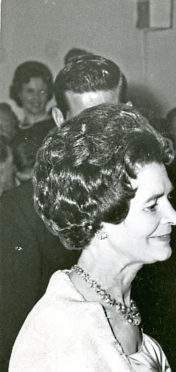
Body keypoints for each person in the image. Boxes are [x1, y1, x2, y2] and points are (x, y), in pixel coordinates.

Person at [9, 104, 176, 371]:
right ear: (98, 215)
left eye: (168, 198)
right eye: (152, 205)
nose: (175, 217)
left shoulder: (121, 309)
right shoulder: (62, 332)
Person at [0, 54, 127, 369]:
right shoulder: (23, 209)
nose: (102, 136)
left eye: (110, 118)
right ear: (59, 118)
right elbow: (13, 341)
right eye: (86, 122)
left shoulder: (148, 198)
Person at [9, 61, 56, 179]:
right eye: (30, 91)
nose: (36, 98)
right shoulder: (13, 132)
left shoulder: (57, 127)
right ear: (19, 93)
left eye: (42, 91)